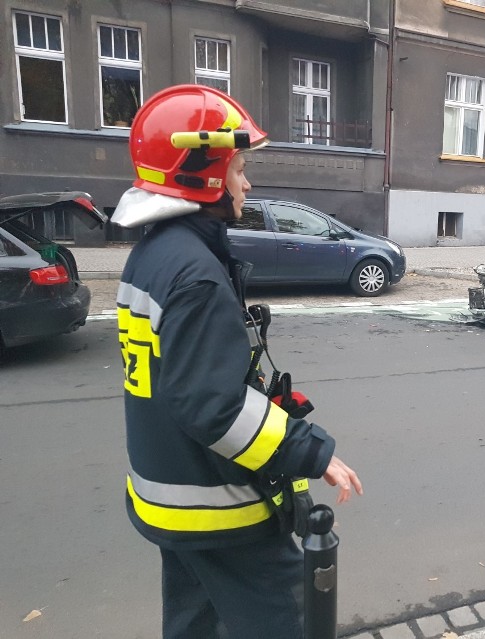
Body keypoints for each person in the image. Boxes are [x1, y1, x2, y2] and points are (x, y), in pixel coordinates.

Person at [111, 85, 363, 638]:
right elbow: (213, 405)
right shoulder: (194, 273)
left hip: (168, 498)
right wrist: (312, 452)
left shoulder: (152, 255)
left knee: (195, 627)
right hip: (219, 513)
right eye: (239, 167)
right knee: (287, 625)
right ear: (201, 172)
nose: (247, 183)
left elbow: (174, 380)